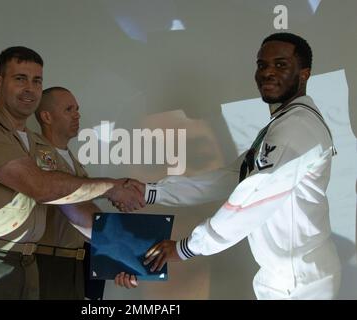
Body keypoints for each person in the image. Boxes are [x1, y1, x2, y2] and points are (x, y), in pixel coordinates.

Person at [117, 33, 342, 299]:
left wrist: (185, 248)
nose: (268, 72)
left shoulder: (296, 127)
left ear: (304, 74)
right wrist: (152, 191)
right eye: (262, 65)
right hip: (283, 277)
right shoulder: (283, 123)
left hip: (300, 281)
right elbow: (230, 177)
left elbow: (249, 200)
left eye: (280, 64)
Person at [0, 46, 144, 300]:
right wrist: (112, 187)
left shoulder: (40, 146)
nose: (30, 88)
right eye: (20, 79)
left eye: (37, 81)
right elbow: (40, 187)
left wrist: (127, 254)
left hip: (24, 261)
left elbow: (73, 206)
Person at [33, 86, 107, 299]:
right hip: (49, 261)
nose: (77, 115)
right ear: (46, 116)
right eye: (69, 109)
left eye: (77, 109)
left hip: (77, 260)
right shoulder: (38, 153)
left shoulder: (72, 162)